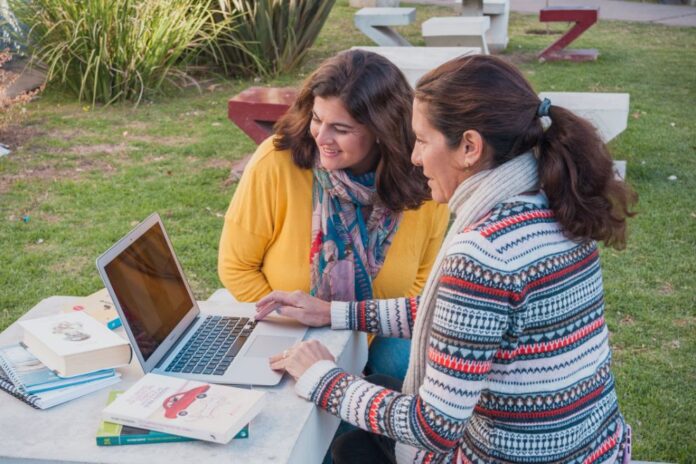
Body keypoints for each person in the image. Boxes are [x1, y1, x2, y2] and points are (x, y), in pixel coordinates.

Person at [255, 54, 636, 464]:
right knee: (373, 398)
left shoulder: (484, 252)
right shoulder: (550, 204)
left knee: (348, 439)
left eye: (422, 140)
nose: (415, 157)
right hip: (595, 452)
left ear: (469, 147)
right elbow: (459, 317)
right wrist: (335, 312)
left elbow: (432, 428)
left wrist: (322, 377)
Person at [218, 49, 449, 380]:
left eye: (340, 128)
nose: (321, 138)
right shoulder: (277, 162)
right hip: (294, 333)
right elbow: (236, 267)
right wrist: (306, 331)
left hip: (382, 333)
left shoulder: (424, 179)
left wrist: (350, 328)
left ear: (381, 130)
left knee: (421, 373)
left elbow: (422, 280)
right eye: (316, 118)